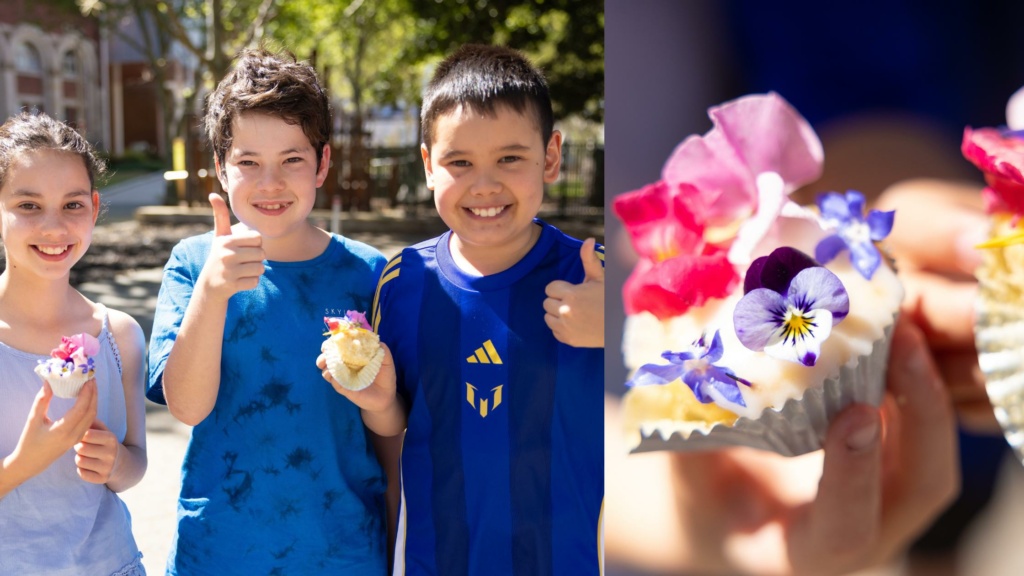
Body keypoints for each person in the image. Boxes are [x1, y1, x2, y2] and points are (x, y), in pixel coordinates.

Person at [321, 43, 605, 574]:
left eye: (510, 158)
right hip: (437, 558)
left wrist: (623, 328)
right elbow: (393, 431)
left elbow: (699, 387)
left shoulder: (598, 282)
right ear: (429, 165)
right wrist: (378, 400)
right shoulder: (403, 283)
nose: (485, 184)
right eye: (460, 162)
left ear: (551, 156)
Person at [147, 48, 401, 574]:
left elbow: (393, 426)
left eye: (292, 160)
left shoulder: (368, 273)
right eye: (248, 162)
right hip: (218, 549)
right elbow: (187, 407)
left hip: (343, 550)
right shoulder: (194, 264)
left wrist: (379, 402)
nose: (271, 183)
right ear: (219, 166)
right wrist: (212, 295)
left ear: (322, 163)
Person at [0, 112, 148, 575]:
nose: (54, 228)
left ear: (94, 205)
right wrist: (25, 463)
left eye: (72, 205)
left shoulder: (119, 335)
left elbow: (136, 464)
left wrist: (116, 463)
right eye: (28, 205)